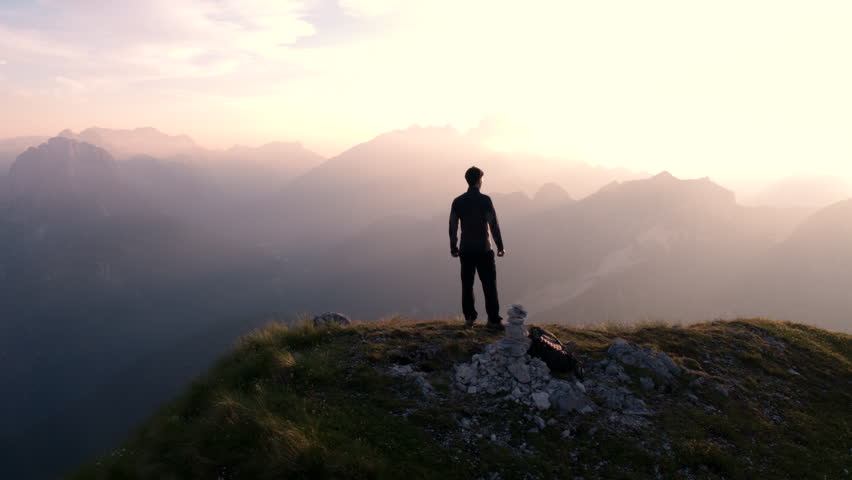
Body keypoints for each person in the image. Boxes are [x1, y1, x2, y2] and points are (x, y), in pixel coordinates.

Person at [449, 166, 506, 330]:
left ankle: (469, 318)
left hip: (466, 250)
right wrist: (500, 246)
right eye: (482, 179)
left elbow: (453, 226)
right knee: (489, 285)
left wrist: (453, 247)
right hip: (483, 250)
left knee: (467, 285)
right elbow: (493, 224)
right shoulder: (485, 200)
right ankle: (493, 320)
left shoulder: (458, 201)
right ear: (479, 180)